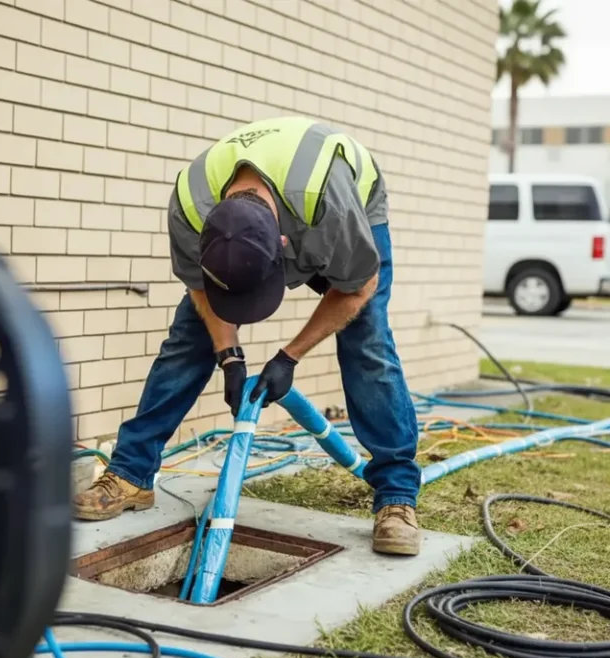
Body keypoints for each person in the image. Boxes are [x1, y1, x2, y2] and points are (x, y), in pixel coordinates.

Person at [74, 116, 423, 556]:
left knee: (366, 342)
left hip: (349, 208)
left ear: (283, 245)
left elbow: (357, 289)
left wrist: (289, 357)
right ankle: (131, 472)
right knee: (187, 338)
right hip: (278, 210)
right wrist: (229, 357)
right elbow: (200, 289)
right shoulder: (189, 205)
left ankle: (396, 496)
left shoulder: (328, 205)